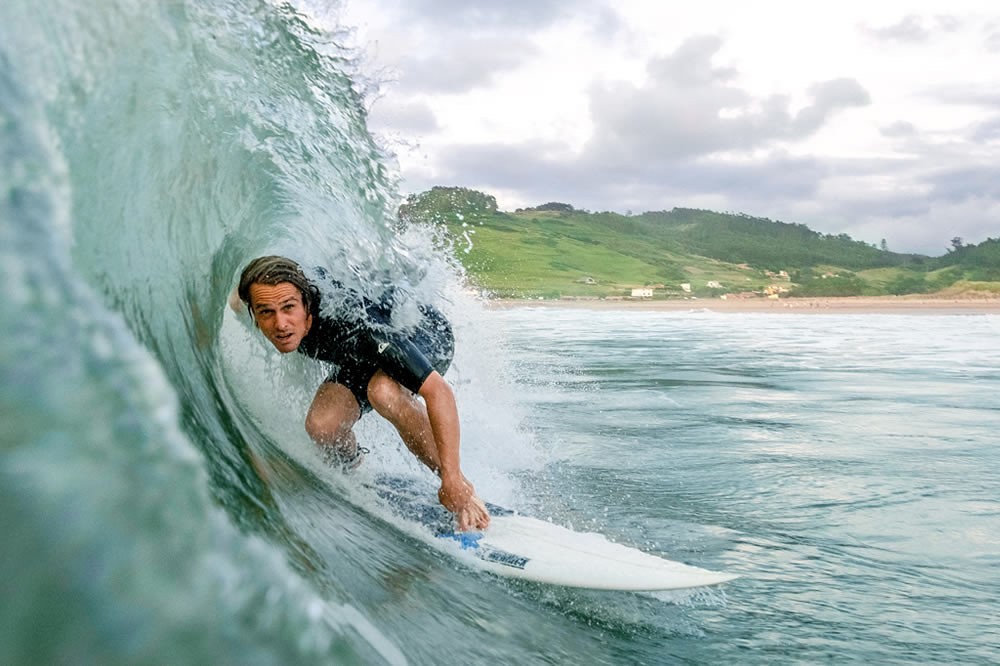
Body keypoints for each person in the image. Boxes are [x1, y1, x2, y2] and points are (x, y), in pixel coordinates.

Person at [235, 255, 490, 531]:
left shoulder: (356, 325)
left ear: (307, 307)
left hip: (418, 333)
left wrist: (450, 477)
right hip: (362, 353)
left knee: (383, 392)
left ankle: (461, 488)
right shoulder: (264, 295)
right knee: (322, 427)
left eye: (288, 308)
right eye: (266, 312)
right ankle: (353, 468)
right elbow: (237, 300)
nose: (280, 324)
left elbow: (439, 392)